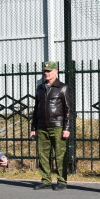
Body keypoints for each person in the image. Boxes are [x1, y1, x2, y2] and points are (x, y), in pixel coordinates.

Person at [30, 61, 72, 191]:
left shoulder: (62, 87)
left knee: (60, 154)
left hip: (58, 126)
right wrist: (33, 128)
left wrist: (67, 128)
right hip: (42, 126)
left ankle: (61, 180)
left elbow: (68, 109)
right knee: (43, 154)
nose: (46, 73)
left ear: (56, 71)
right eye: (45, 71)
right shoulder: (40, 88)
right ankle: (46, 180)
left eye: (49, 71)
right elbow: (36, 109)